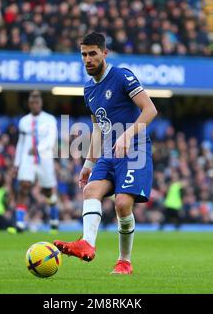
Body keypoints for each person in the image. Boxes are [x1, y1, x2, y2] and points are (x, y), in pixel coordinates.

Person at [54, 32, 158, 274]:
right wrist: (88, 163)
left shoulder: (122, 76)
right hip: (110, 152)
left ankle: (124, 261)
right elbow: (99, 128)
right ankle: (87, 244)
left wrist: (127, 136)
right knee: (90, 190)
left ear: (104, 53)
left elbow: (150, 110)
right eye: (83, 54)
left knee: (122, 204)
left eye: (92, 53)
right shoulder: (89, 90)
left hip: (135, 149)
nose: (88, 59)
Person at [14, 90, 59, 233]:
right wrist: (16, 163)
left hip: (44, 158)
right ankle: (20, 223)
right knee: (23, 186)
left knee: (47, 191)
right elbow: (20, 143)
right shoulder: (24, 121)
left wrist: (38, 149)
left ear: (41, 103)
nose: (35, 105)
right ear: (29, 104)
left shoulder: (49, 119)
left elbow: (51, 139)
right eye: (32, 102)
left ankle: (53, 219)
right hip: (27, 158)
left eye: (37, 102)